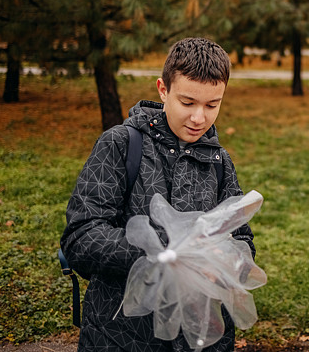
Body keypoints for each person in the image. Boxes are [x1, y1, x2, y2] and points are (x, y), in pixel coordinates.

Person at [61, 37, 254, 352]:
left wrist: (225, 263)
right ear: (163, 90)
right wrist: (165, 253)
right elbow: (80, 237)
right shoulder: (120, 145)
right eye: (187, 102)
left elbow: (242, 238)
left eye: (212, 105)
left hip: (201, 341)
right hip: (122, 336)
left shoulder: (219, 161)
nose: (199, 118)